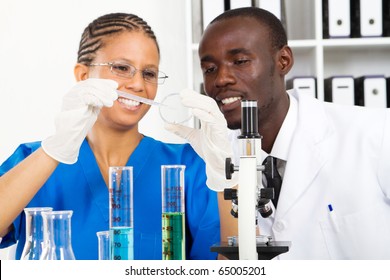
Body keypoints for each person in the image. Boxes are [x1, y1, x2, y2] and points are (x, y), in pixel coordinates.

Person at [166, 7, 390, 259]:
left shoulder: (376, 133)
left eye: (239, 61)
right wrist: (222, 179)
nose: (221, 79)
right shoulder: (217, 163)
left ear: (283, 61)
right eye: (209, 69)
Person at [0, 12, 220, 260]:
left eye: (149, 73)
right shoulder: (33, 160)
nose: (138, 84)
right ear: (83, 76)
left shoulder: (187, 167)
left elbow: (234, 264)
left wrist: (227, 177)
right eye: (122, 68)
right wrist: (55, 149)